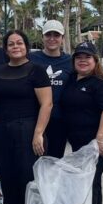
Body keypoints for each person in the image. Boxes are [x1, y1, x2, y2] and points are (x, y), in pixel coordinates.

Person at [0, 30, 52, 204]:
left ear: (26, 47)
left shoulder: (37, 71)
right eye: (11, 44)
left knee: (27, 179)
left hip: (28, 130)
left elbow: (47, 104)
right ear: (5, 49)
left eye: (20, 43)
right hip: (2, 131)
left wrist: (38, 133)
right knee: (7, 178)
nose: (15, 46)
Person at [61, 42, 103, 204]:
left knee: (92, 180)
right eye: (79, 57)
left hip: (97, 143)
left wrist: (99, 138)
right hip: (78, 142)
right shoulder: (71, 80)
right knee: (81, 181)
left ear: (95, 60)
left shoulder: (102, 84)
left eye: (87, 57)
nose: (83, 60)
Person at [29, 20, 72, 158]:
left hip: (59, 120)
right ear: (42, 37)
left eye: (56, 35)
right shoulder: (31, 58)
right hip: (34, 118)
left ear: (62, 38)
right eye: (48, 35)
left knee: (53, 162)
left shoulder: (70, 61)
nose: (52, 38)